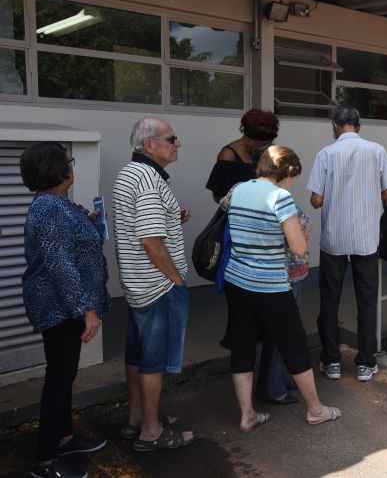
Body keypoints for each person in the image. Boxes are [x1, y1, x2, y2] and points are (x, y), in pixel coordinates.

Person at [225, 145, 341, 429]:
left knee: (243, 348)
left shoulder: (238, 190)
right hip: (271, 285)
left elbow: (228, 215)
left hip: (237, 281)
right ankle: (315, 409)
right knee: (294, 346)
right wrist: (302, 231)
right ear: (286, 172)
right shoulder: (281, 198)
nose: (293, 183)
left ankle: (247, 414)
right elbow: (299, 250)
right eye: (294, 176)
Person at [21, 143, 109, 478]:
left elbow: (63, 244)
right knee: (58, 380)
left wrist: (87, 221)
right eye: (68, 162)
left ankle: (65, 437)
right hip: (59, 307)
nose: (72, 167)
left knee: (65, 376)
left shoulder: (57, 205)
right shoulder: (49, 207)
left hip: (64, 305)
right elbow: (58, 263)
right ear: (57, 170)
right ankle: (45, 460)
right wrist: (85, 307)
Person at [113, 117, 195, 452]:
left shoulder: (129, 173)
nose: (178, 143)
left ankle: (137, 420)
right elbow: (150, 240)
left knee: (137, 355)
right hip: (157, 286)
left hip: (137, 284)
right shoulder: (148, 180)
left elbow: (144, 222)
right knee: (154, 360)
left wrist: (171, 215)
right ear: (150, 145)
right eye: (172, 138)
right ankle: (151, 430)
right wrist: (175, 278)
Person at [207, 113, 296, 406]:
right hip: (241, 246)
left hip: (264, 247)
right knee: (249, 325)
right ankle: (261, 386)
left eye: (268, 139)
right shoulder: (228, 155)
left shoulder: (268, 157)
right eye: (260, 139)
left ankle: (270, 384)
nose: (264, 143)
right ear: (245, 133)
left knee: (265, 325)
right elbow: (219, 199)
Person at [308, 105, 387, 382]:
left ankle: (332, 362)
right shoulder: (377, 151)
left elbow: (316, 200)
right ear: (358, 125)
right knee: (367, 300)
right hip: (366, 238)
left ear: (335, 125)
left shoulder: (325, 153)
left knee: (329, 299)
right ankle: (366, 363)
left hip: (334, 238)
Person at [206, 109, 280, 202]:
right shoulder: (228, 156)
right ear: (249, 139)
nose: (266, 148)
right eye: (262, 145)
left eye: (268, 144)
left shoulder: (269, 152)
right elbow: (218, 196)